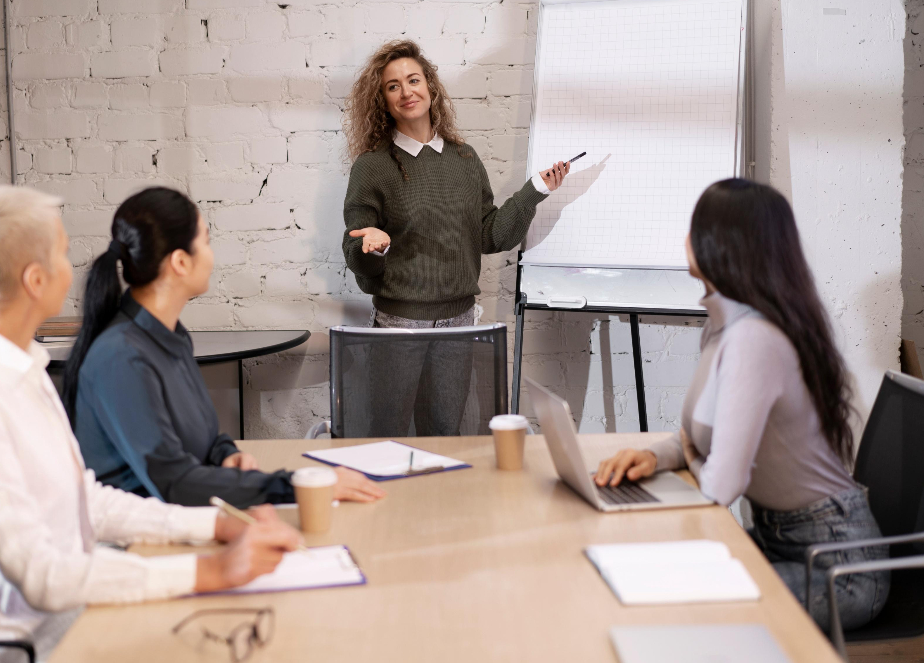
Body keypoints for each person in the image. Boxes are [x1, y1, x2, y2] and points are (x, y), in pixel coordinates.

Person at [0, 186, 302, 659]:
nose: (74, 269)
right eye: (63, 253)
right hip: (16, 643)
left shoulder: (19, 366)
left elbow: (83, 501)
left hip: (63, 613)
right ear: (35, 279)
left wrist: (216, 525)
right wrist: (210, 571)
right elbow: (42, 575)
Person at [593, 179, 889, 631]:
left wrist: (690, 454)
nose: (685, 238)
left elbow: (718, 487)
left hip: (840, 567)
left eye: (696, 227)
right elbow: (704, 437)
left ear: (724, 244)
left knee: (681, 607)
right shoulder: (724, 325)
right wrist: (657, 456)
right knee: (650, 579)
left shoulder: (753, 339)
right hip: (780, 541)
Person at [63, 187, 385, 507]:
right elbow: (174, 484)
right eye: (206, 242)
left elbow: (200, 437)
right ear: (180, 262)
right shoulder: (121, 357)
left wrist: (225, 455)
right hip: (140, 540)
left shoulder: (170, 335)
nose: (211, 255)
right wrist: (301, 487)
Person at [341, 39, 571, 436]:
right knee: (386, 433)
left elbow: (489, 235)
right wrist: (371, 244)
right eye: (392, 86)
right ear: (383, 99)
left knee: (446, 435)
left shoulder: (465, 159)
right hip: (399, 326)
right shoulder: (373, 166)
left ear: (430, 86)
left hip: (459, 323)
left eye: (413, 80)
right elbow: (355, 251)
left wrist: (536, 189)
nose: (406, 91)